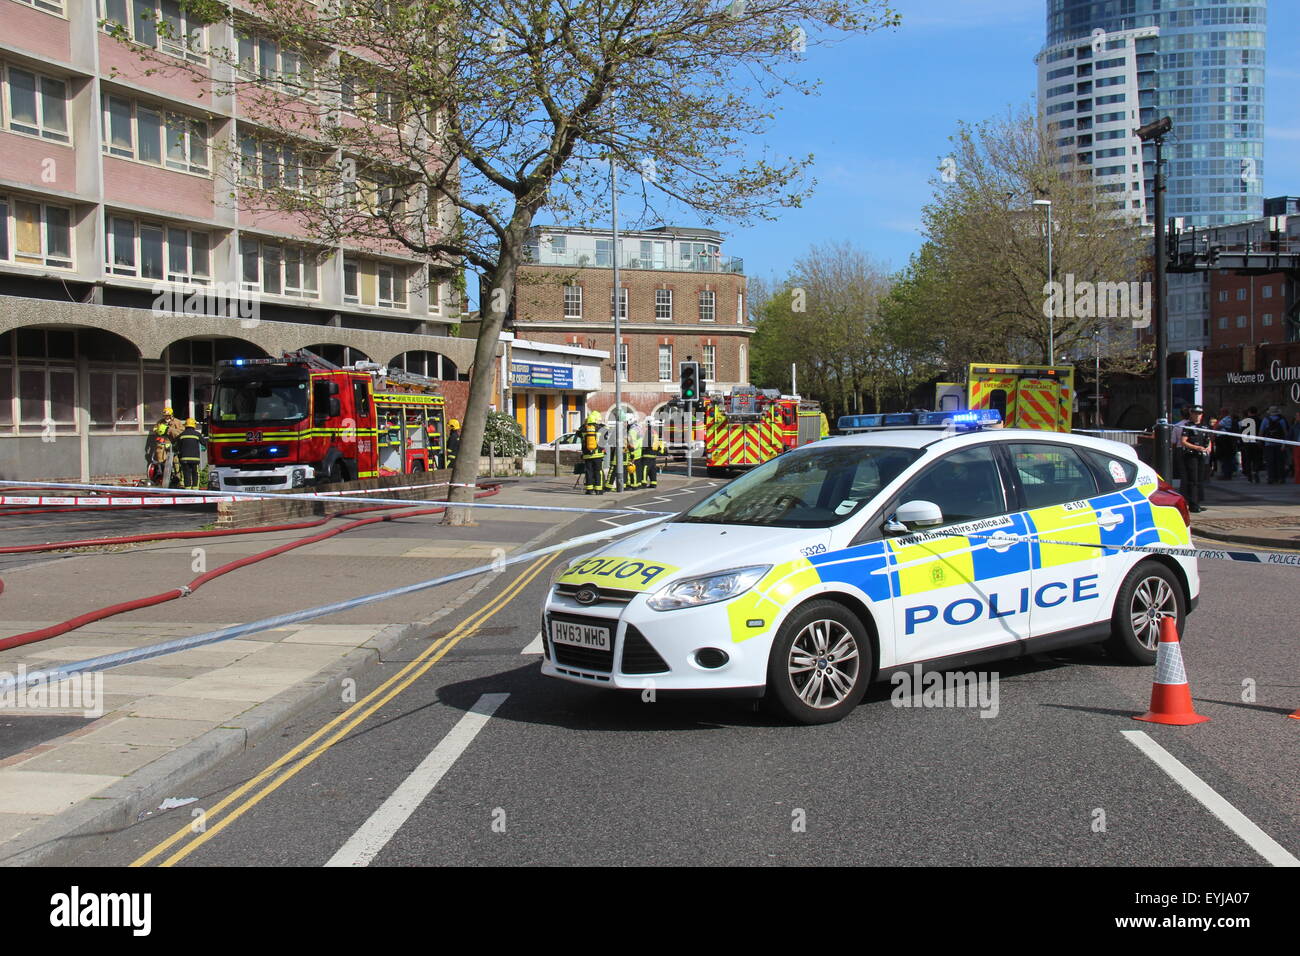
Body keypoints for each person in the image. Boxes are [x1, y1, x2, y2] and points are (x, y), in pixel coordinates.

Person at [1178, 405, 1212, 513]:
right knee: (1192, 480)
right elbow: (1183, 441)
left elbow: (1208, 439)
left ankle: (1198, 502)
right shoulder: (1188, 426)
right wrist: (1196, 447)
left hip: (1201, 455)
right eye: (1195, 413)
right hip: (1191, 455)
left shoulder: (1204, 427)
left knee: (1200, 480)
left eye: (1199, 414)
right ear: (1191, 414)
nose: (1197, 416)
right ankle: (1193, 504)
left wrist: (1208, 448)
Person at [1260, 405, 1289, 483]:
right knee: (1280, 462)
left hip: (1268, 444)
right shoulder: (1282, 420)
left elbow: (1261, 431)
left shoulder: (1266, 420)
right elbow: (1285, 432)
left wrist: (1261, 441)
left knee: (1270, 462)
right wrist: (1285, 442)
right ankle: (1281, 478)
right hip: (1279, 444)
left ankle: (1271, 478)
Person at [579, 410, 605, 495]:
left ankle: (589, 489)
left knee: (589, 472)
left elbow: (578, 434)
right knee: (598, 471)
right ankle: (599, 489)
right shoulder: (600, 428)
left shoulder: (583, 429)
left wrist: (584, 424)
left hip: (587, 455)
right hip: (598, 454)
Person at [175, 418, 205, 490]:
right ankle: (195, 489)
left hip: (184, 459)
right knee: (195, 473)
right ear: (194, 425)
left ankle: (187, 489)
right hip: (195, 459)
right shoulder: (197, 434)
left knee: (186, 474)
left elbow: (177, 447)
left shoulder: (181, 435)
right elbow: (204, 443)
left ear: (186, 425)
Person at [1238, 406, 1260, 482]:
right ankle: (1256, 471)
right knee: (1256, 459)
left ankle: (1249, 475)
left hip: (1247, 442)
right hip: (1256, 442)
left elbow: (1241, 432)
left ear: (1249, 412)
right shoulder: (1259, 420)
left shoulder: (1245, 420)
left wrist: (1241, 443)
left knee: (1248, 459)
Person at [1215, 408, 1237, 480]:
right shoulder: (1228, 419)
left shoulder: (1226, 419)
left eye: (1221, 413)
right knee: (1227, 458)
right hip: (1227, 441)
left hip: (1225, 441)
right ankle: (1226, 473)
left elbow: (1217, 427)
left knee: (1225, 458)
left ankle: (1226, 474)